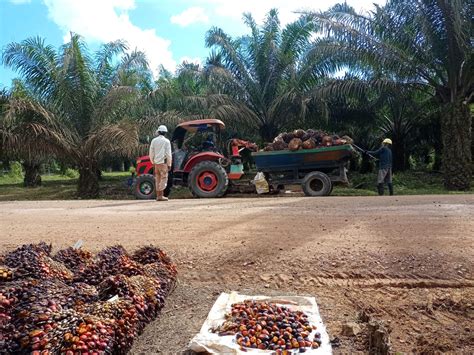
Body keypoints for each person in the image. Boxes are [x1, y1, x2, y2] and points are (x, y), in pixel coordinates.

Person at [149, 125, 172, 201]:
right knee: (163, 178)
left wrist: (153, 162)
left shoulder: (154, 141)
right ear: (165, 133)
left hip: (156, 163)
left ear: (158, 132)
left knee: (158, 179)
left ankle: (158, 196)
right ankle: (161, 196)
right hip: (163, 163)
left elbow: (151, 152)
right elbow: (168, 154)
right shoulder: (166, 141)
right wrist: (169, 164)